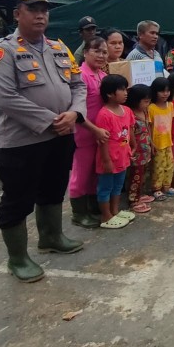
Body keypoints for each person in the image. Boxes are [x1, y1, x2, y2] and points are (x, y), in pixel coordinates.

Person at [0, 0, 87, 283]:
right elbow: (6, 98)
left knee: (53, 189)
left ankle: (51, 237)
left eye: (44, 9)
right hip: (23, 142)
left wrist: (75, 114)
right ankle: (17, 259)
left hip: (61, 135)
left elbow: (78, 85)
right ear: (18, 14)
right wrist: (53, 121)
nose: (40, 14)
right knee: (17, 199)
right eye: (32, 9)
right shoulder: (2, 52)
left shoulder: (59, 48)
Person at [68, 37, 109, 229]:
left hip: (99, 134)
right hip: (84, 133)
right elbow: (76, 111)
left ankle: (93, 206)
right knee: (81, 173)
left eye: (104, 52)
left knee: (95, 171)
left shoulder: (101, 74)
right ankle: (79, 213)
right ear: (85, 53)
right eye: (97, 51)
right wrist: (94, 129)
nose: (101, 55)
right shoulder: (80, 75)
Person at [94, 74, 136, 229]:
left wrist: (133, 145)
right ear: (110, 93)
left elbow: (130, 129)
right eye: (122, 90)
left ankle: (115, 211)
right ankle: (105, 216)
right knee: (105, 187)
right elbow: (102, 140)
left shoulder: (126, 110)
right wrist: (106, 160)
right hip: (109, 159)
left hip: (123, 157)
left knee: (118, 185)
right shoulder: (104, 115)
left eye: (126, 89)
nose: (126, 93)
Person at [126, 84, 155, 213]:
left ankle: (139, 195)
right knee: (136, 176)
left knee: (143, 174)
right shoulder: (130, 114)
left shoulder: (145, 111)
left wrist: (152, 144)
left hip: (146, 149)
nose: (148, 104)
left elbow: (148, 129)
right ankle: (133, 200)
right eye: (145, 101)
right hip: (136, 152)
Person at [148, 77, 174, 200]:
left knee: (169, 165)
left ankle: (166, 186)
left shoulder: (170, 105)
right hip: (157, 143)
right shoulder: (151, 108)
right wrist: (151, 143)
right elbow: (149, 126)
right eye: (162, 91)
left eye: (167, 91)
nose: (165, 94)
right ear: (155, 92)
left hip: (168, 141)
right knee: (158, 167)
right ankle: (156, 188)